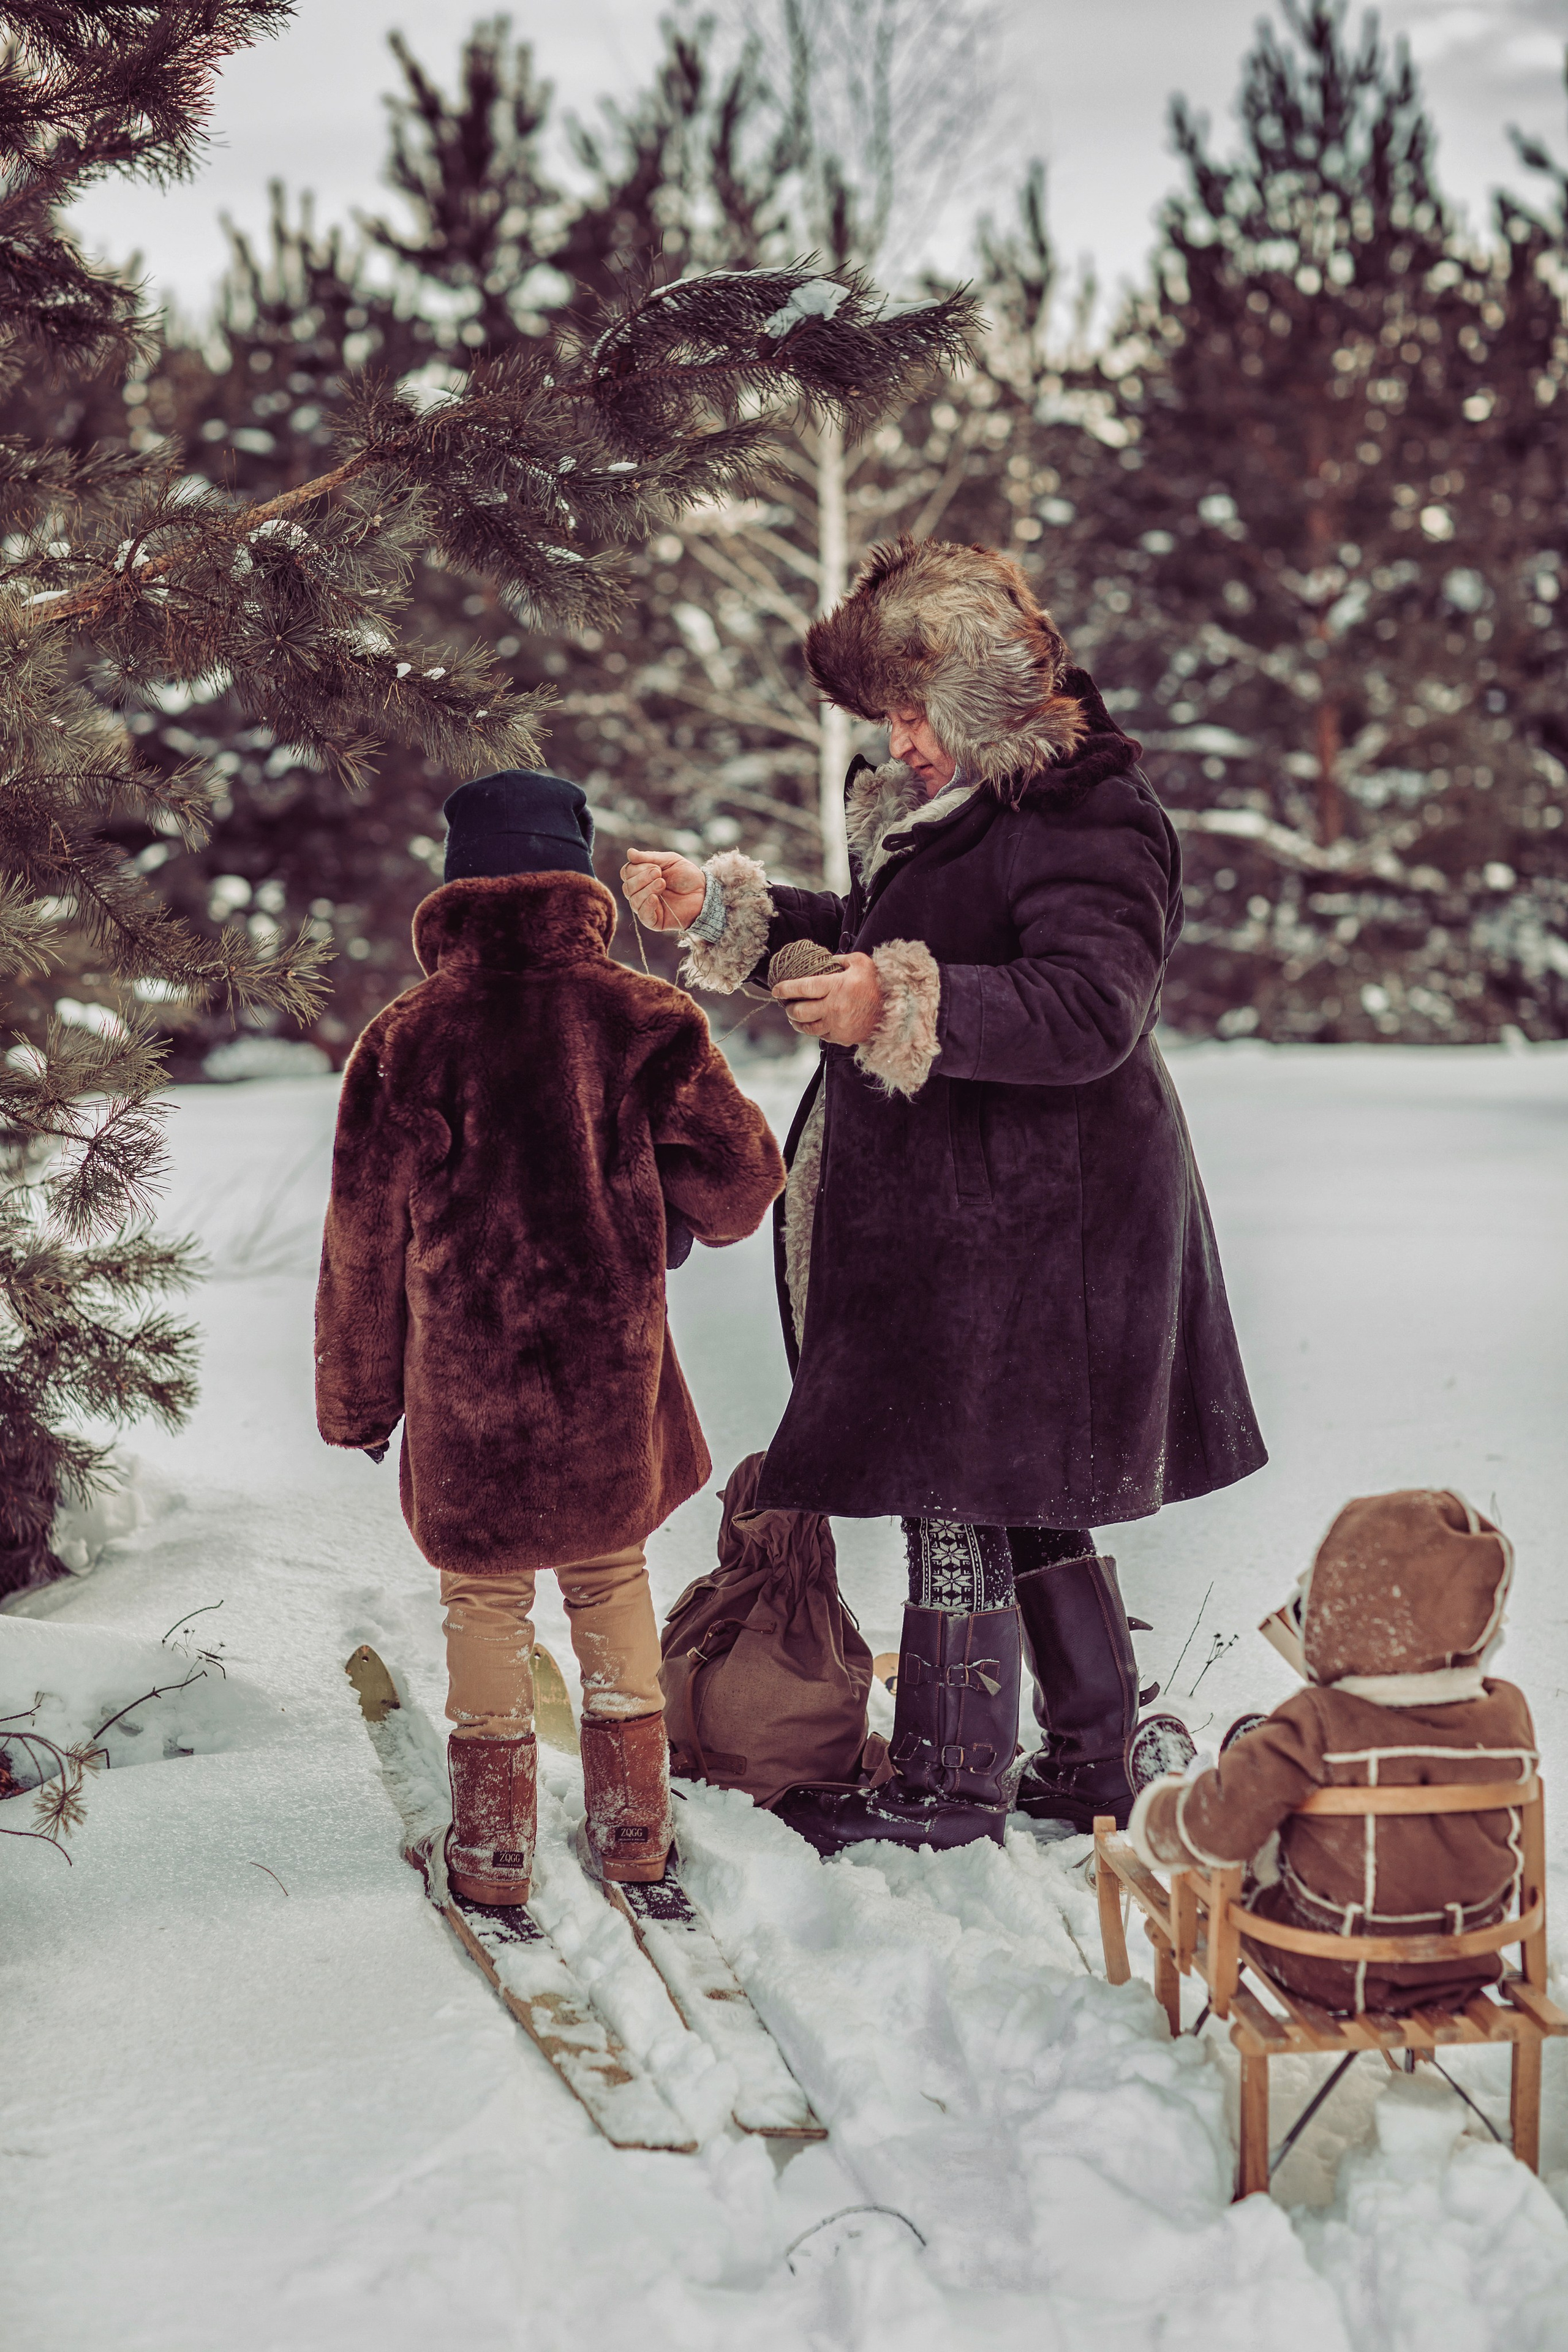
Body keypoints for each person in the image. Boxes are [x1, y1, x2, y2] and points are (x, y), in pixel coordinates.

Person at [623, 535, 1266, 1854]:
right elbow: (870, 949)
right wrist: (723, 913)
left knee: (956, 1485)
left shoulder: (1091, 812)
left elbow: (1092, 1007)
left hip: (1045, 1224)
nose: (899, 742)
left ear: (977, 697)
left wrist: (902, 999)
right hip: (984, 1220)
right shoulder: (958, 814)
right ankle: (1088, 1756)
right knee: (1018, 1487)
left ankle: (944, 1783)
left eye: (912, 715)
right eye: (888, 719)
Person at [315, 769, 785, 1906]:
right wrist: (656, 1207)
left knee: (483, 1597)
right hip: (606, 1373)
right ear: (579, 878)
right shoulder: (646, 1016)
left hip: (466, 1381)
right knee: (609, 1572)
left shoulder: (404, 1039)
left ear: (455, 888)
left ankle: (490, 1850)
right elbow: (742, 1181)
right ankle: (633, 1835)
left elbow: (364, 1243)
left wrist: (362, 1403)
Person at [1129, 1490, 1536, 2016]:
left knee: (1237, 1836)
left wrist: (1159, 1814)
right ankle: (1263, 1759)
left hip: (1328, 1964)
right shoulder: (1507, 1713)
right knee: (1306, 1787)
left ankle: (1197, 1775)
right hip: (1462, 1961)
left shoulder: (1320, 1722)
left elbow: (1213, 1833)